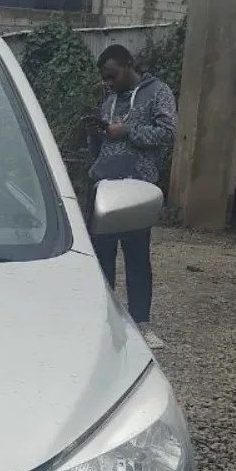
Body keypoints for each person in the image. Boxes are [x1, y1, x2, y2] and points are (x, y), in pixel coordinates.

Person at [85, 45, 176, 349]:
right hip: (105, 189)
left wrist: (127, 131)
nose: (108, 84)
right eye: (104, 80)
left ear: (129, 65)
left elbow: (167, 134)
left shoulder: (158, 92)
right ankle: (104, 321)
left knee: (137, 258)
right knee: (102, 259)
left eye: (112, 76)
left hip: (137, 189)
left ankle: (142, 324)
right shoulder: (109, 102)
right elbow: (104, 143)